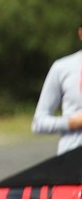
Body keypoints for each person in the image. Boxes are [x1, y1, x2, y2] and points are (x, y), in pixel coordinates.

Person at [32, 18, 82, 154]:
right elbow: (39, 123)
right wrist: (72, 123)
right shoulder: (62, 68)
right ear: (80, 34)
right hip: (72, 158)